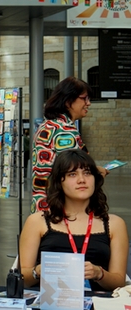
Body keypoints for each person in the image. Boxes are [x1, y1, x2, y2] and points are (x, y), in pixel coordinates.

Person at [20, 149, 128, 291]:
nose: (81, 180)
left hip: (97, 307)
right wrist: (39, 271)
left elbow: (119, 281)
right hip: (50, 305)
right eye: (72, 174)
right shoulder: (37, 221)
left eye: (87, 173)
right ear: (59, 181)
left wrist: (99, 273)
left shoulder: (114, 224)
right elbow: (22, 278)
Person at [31, 77, 107, 214]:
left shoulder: (47, 125)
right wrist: (97, 173)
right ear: (68, 101)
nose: (88, 103)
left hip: (42, 205)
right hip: (61, 209)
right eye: (84, 98)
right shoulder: (65, 131)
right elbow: (72, 171)